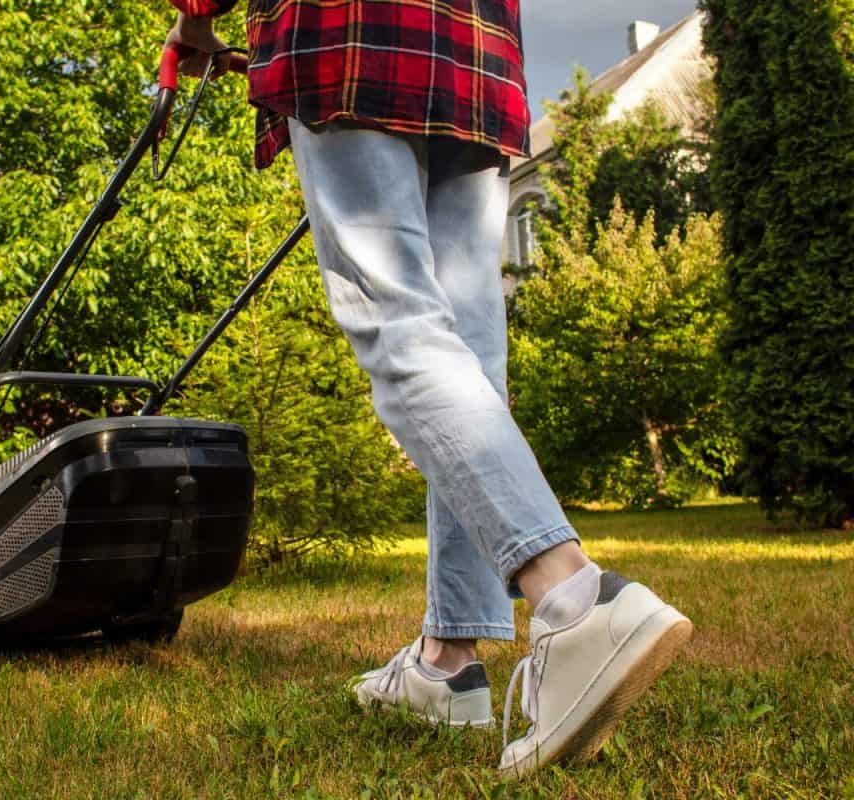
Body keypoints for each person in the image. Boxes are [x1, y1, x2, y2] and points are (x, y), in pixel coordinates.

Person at [163, 0, 692, 775]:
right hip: (475, 55)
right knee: (467, 350)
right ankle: (449, 661)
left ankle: (579, 603)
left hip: (353, 32)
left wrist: (195, 19)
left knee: (399, 323)